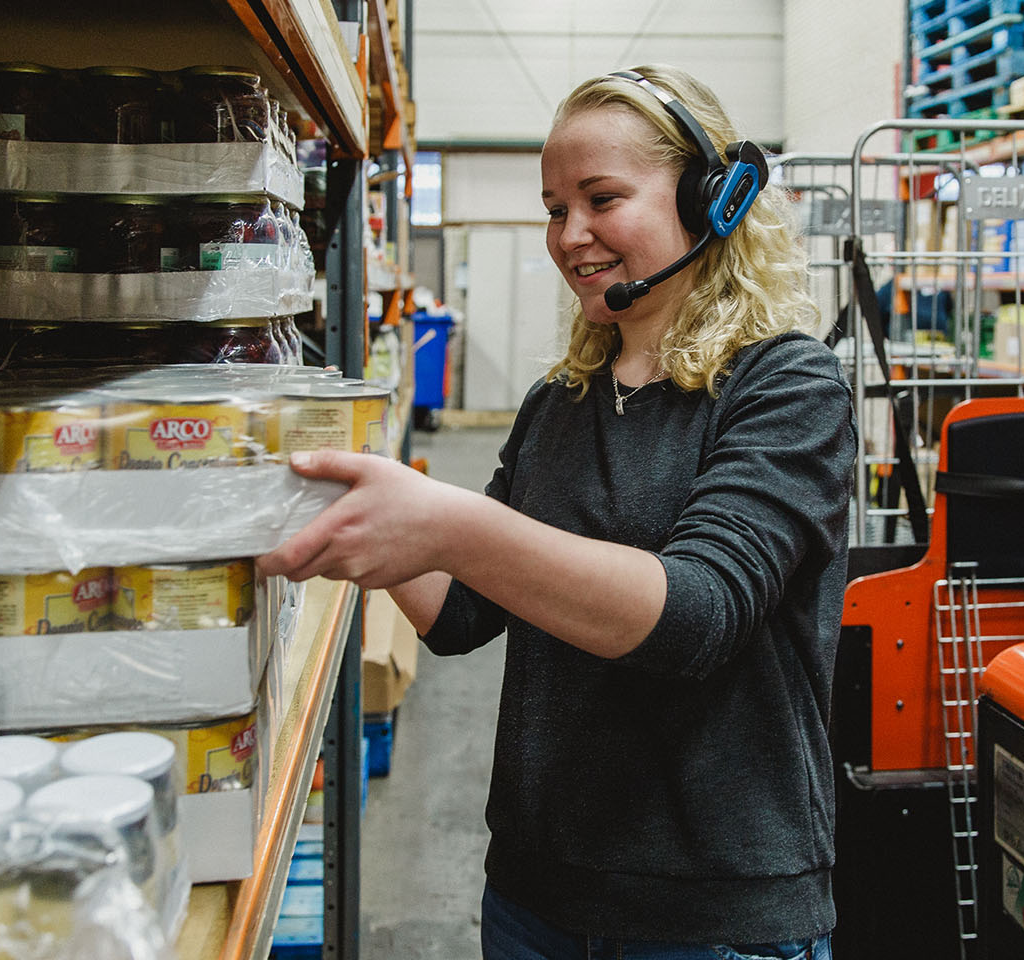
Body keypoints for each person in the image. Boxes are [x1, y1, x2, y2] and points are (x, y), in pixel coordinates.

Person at [257, 64, 855, 960]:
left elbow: (697, 615)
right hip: (536, 898)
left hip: (709, 917)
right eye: (552, 208)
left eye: (602, 198)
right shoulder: (562, 400)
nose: (571, 235)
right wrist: (326, 490)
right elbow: (462, 611)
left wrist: (451, 521)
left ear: (711, 198)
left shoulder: (786, 386)